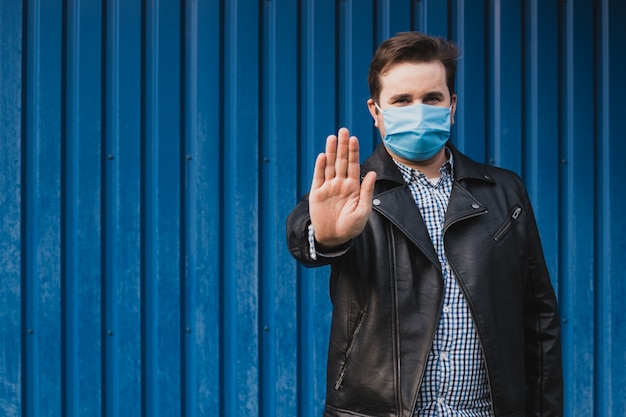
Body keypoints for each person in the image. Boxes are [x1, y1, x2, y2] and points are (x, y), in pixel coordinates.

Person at [286, 31, 562, 417]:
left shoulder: (504, 191)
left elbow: (538, 318)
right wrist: (327, 238)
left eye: (432, 98)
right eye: (401, 100)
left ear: (452, 105)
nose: (418, 110)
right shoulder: (351, 191)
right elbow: (305, 236)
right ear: (376, 111)